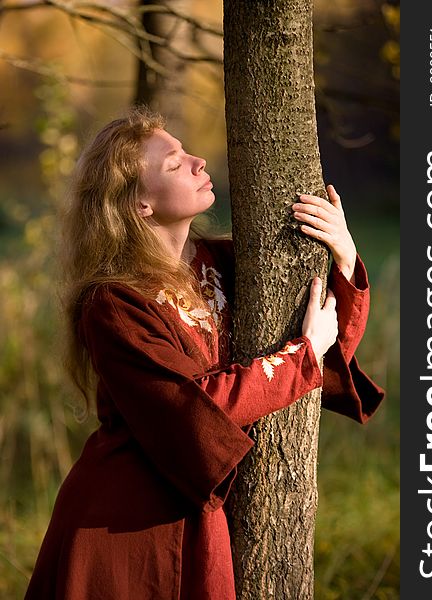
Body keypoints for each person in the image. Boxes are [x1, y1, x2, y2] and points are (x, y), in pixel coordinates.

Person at [24, 106, 384, 600]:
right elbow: (195, 407)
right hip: (127, 523)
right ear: (140, 205)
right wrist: (303, 356)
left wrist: (341, 253)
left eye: (187, 152)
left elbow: (327, 335)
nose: (197, 161)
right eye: (173, 164)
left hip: (197, 506)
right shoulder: (113, 302)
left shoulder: (223, 261)